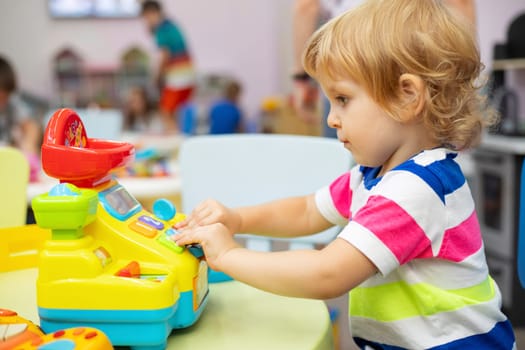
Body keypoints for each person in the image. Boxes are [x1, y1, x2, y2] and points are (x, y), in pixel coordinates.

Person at [172, 0, 516, 348]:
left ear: (407, 97)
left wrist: (229, 256)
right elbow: (308, 211)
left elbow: (328, 273)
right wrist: (237, 219)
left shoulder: (416, 190)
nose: (331, 118)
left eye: (343, 99)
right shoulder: (373, 176)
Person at [292, 0, 477, 138]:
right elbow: (460, 4)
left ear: (409, 93)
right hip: (423, 61)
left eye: (342, 100)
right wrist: (461, 85)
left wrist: (302, 78)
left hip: (354, 60)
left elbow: (306, 6)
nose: (330, 120)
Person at [141, 0, 195, 133]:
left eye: (146, 18)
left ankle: (175, 140)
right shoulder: (170, 24)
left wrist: (157, 76)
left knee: (165, 110)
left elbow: (165, 55)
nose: (146, 21)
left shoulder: (161, 28)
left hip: (178, 75)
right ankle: (177, 136)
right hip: (188, 72)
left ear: (152, 13)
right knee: (175, 111)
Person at [0, 55, 41, 182]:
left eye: (4, 97)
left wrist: (28, 146)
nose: (2, 103)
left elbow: (31, 126)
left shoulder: (11, 104)